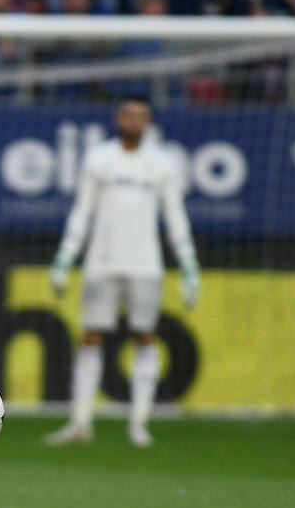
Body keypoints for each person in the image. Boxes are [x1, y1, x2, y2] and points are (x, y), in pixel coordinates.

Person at [45, 97, 199, 449]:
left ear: (149, 122)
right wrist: (65, 257)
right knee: (90, 336)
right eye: (128, 114)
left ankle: (139, 424)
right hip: (102, 262)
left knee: (145, 336)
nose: (134, 121)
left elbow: (175, 217)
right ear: (118, 118)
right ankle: (81, 422)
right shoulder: (98, 158)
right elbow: (82, 212)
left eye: (141, 116)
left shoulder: (163, 163)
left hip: (146, 264)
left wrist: (189, 265)